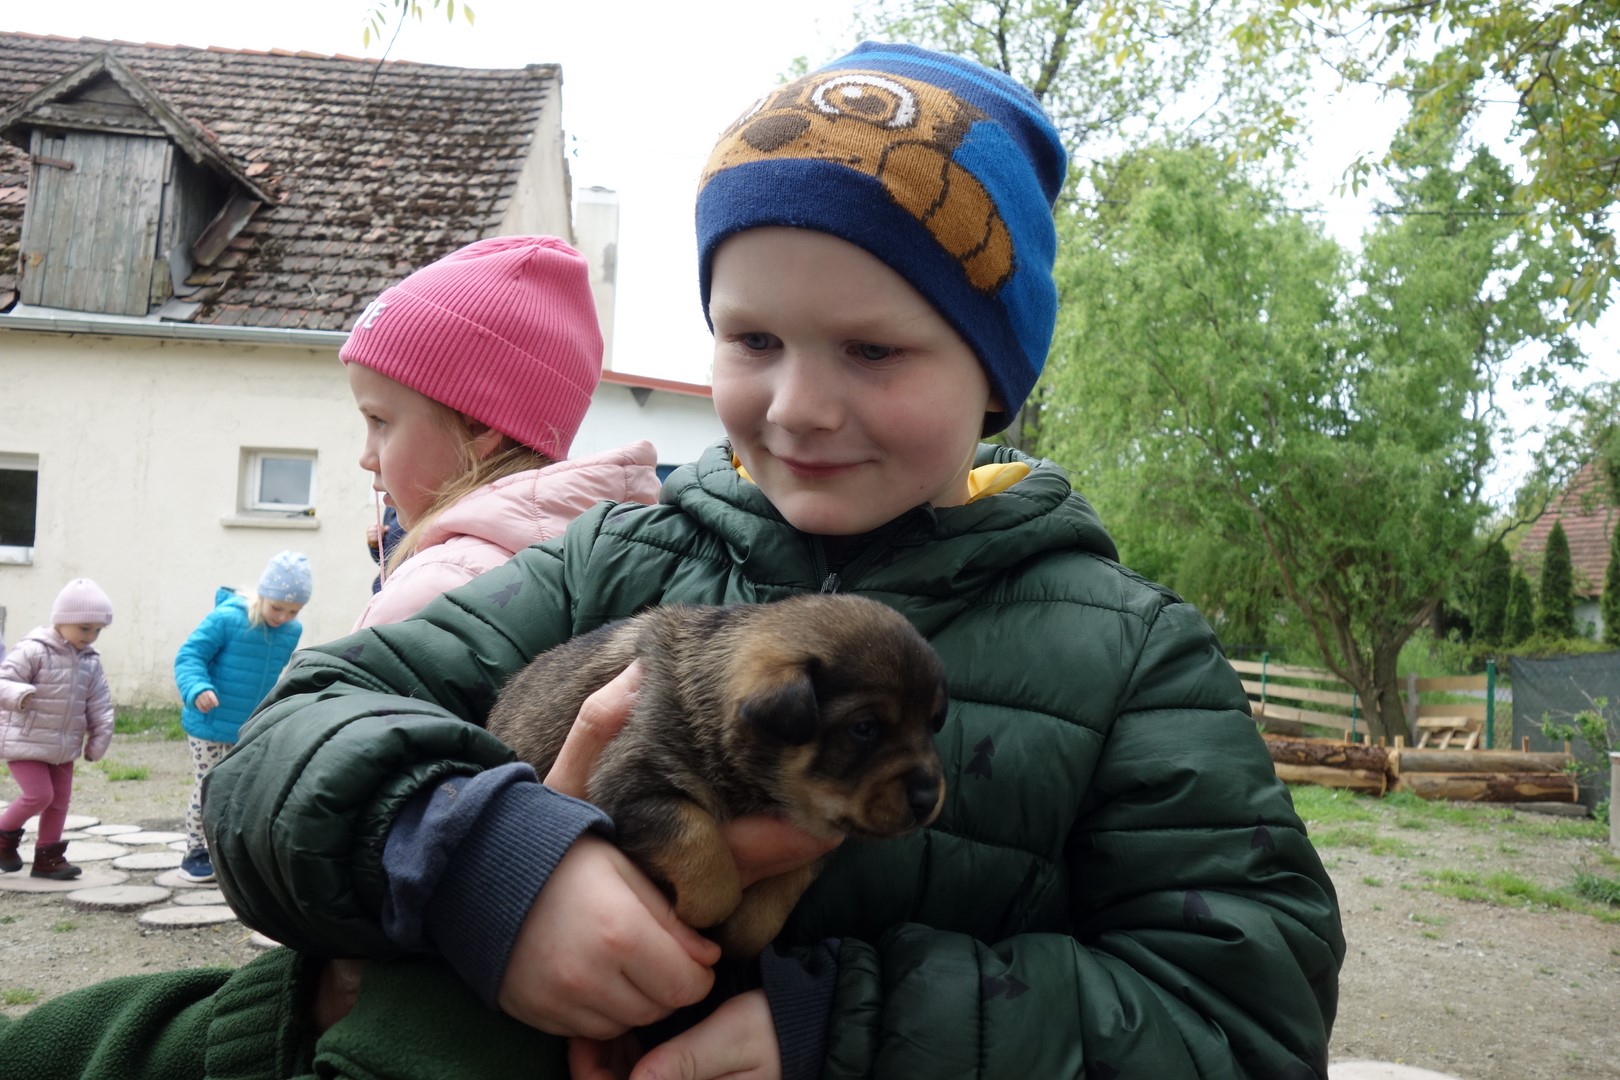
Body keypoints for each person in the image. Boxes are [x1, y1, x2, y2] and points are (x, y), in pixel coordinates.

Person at [0, 42, 1345, 1080]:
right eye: (753, 340)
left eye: (873, 349)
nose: (798, 405)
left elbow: (1247, 1016)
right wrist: (483, 864)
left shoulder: (1131, 656)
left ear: (995, 377)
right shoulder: (615, 557)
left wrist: (844, 1035)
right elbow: (289, 749)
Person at [340, 234, 662, 631]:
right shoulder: (604, 561)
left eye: (379, 421)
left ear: (478, 428)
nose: (366, 457)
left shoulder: (434, 594)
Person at [171, 551, 312, 883]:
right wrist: (197, 688)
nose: (283, 617)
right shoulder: (227, 619)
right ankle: (195, 851)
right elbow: (189, 656)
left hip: (246, 726)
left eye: (293, 611)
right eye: (276, 607)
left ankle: (226, 851)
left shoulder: (291, 630)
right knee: (208, 785)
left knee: (239, 790)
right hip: (208, 719)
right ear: (262, 595)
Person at [0, 578, 115, 880]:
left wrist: (100, 736)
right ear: (61, 620)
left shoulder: (91, 661)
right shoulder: (33, 650)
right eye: (84, 628)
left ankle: (47, 857)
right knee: (39, 795)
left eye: (97, 630)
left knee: (59, 802)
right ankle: (3, 837)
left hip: (64, 746)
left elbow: (100, 702)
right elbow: (3, 681)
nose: (90, 636)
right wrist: (19, 694)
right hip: (26, 741)